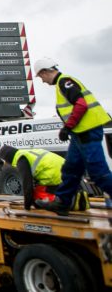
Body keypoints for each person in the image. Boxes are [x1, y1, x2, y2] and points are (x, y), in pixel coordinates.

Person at [33, 57, 112, 215]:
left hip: (87, 131)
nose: (41, 80)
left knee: (98, 172)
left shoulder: (65, 82)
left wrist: (68, 127)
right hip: (79, 134)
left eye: (40, 76)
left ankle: (63, 201)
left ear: (45, 72)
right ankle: (62, 202)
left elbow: (81, 104)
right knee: (70, 169)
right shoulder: (62, 85)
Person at [0, 144, 64, 210]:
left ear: (7, 158)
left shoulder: (21, 159)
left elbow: (27, 186)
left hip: (59, 175)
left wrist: (27, 207)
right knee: (36, 187)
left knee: (36, 196)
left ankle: (56, 203)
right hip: (65, 169)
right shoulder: (25, 153)